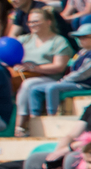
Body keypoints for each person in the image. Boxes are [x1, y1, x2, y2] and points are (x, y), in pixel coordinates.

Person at [10, 7, 75, 135]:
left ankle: (20, 125)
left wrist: (34, 68)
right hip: (24, 75)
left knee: (28, 84)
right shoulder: (24, 39)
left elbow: (59, 67)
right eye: (30, 22)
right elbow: (9, 53)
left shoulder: (59, 41)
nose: (32, 25)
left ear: (48, 22)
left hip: (50, 77)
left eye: (36, 21)